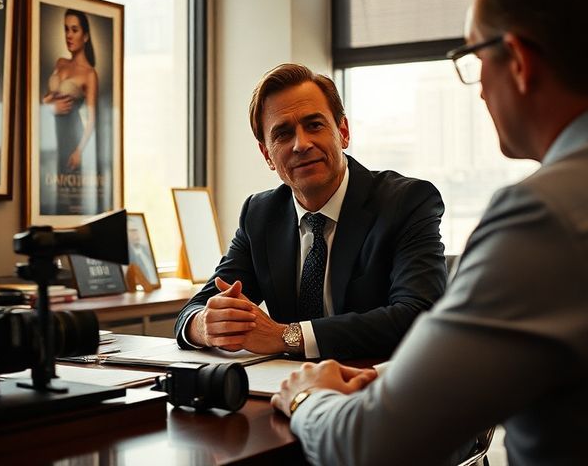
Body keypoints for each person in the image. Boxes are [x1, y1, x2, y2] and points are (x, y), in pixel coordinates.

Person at [271, 0, 588, 466]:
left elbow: (371, 447)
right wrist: (398, 379)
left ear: (517, 61)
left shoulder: (546, 218)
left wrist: (308, 396)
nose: (481, 87)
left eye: (473, 56)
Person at [174, 63, 446, 360]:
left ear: (342, 132)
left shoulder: (406, 202)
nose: (301, 144)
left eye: (314, 125)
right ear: (267, 155)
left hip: (375, 387)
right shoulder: (260, 214)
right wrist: (205, 324)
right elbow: (198, 307)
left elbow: (418, 316)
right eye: (282, 134)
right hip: (283, 389)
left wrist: (285, 336)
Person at [42, 9, 99, 214]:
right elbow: (46, 99)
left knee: (66, 192)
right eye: (66, 29)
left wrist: (79, 151)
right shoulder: (60, 62)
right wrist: (48, 106)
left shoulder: (90, 74)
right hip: (52, 133)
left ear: (85, 36)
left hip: (72, 134)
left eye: (74, 30)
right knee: (50, 186)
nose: (68, 35)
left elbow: (91, 119)